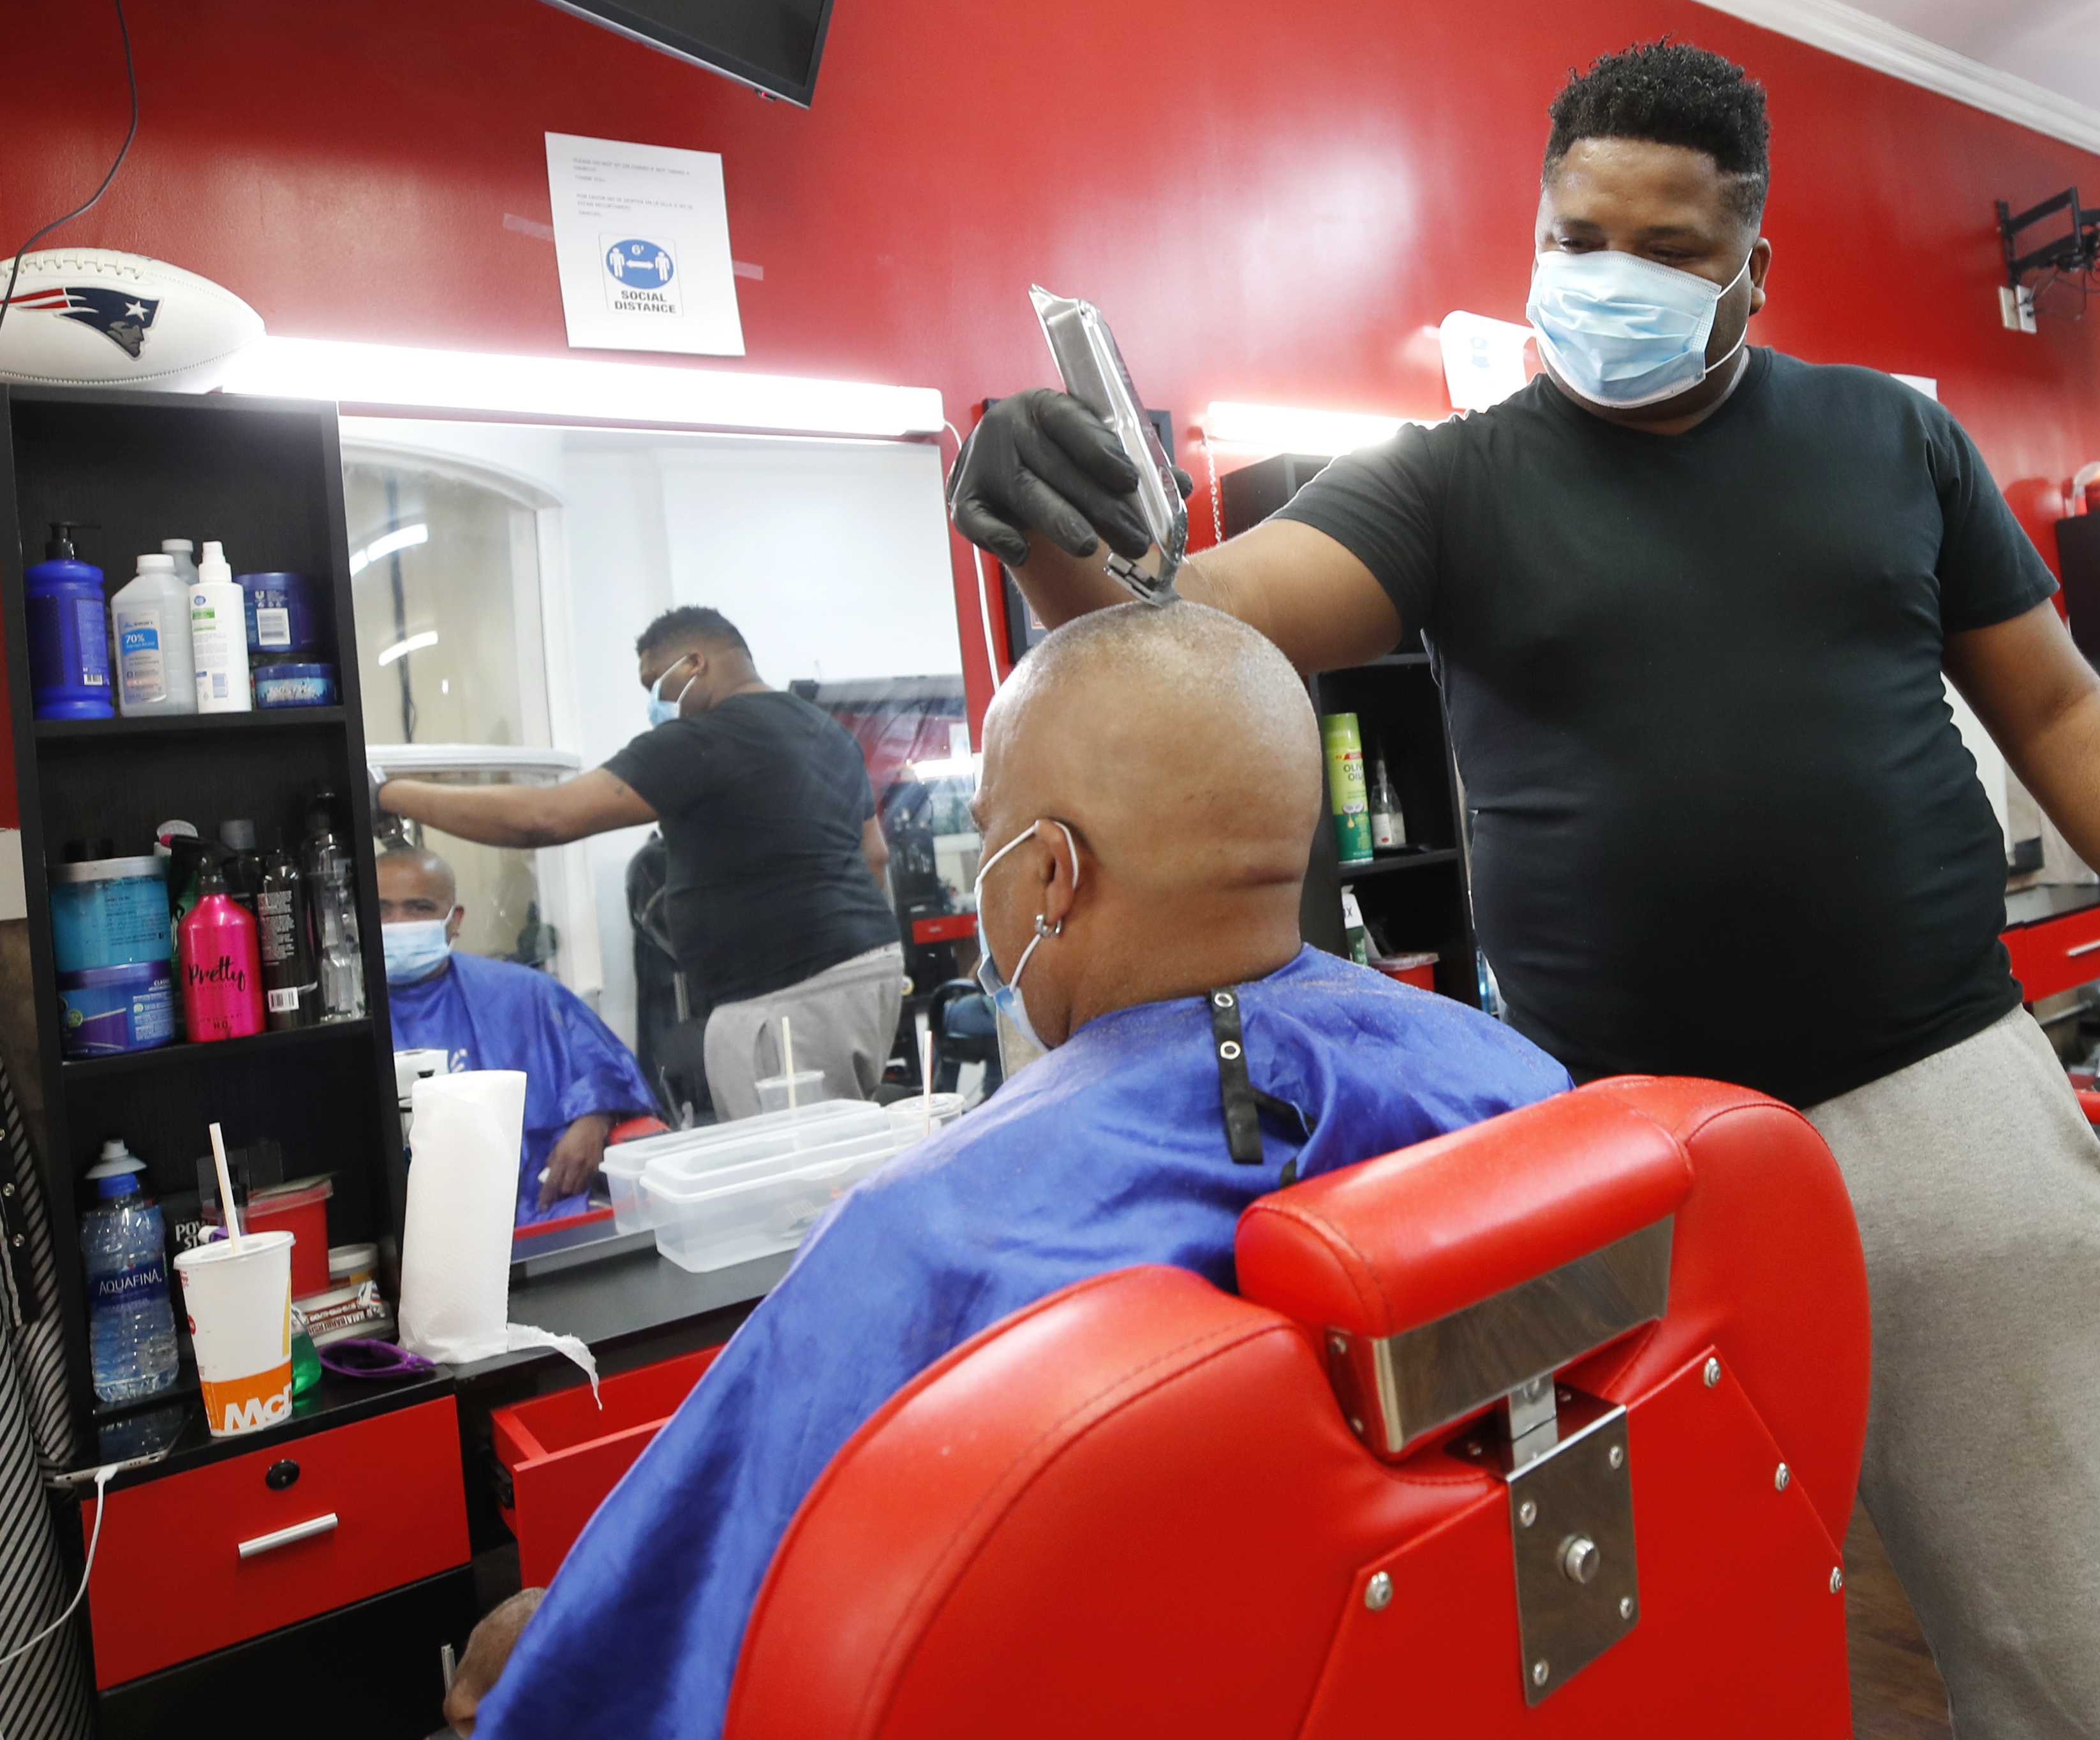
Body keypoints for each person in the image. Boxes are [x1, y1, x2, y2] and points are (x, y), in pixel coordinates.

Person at [945, 43, 2100, 1740]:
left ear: (1755, 265)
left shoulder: (1892, 437)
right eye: (1576, 236)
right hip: (1611, 1144)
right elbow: (1171, 626)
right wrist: (1043, 530)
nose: (1611, 280)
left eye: (1667, 248)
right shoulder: (1451, 480)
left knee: (2053, 1658)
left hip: (1937, 1091)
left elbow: (2054, 706)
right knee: (1644, 1656)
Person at [467, 601, 1571, 1740]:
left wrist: (562, 1633)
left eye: (990, 835)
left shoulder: (928, 1236)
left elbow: (687, 1626)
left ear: (1051, 873)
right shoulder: (1511, 1078)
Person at [378, 607, 905, 1114]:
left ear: (695, 663)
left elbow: (545, 817)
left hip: (786, 996)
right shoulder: (826, 731)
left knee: (797, 1177)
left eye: (655, 682)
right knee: (846, 1142)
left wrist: (390, 794)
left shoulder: (705, 737)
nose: (655, 701)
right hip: (868, 972)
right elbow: (874, 856)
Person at [376, 844, 653, 1224]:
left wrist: (595, 1119)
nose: (398, 923)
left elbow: (609, 1073)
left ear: (454, 920)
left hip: (539, 1209)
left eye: (419, 908)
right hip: (407, 1229)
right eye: (381, 910)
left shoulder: (524, 994)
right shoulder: (344, 1027)